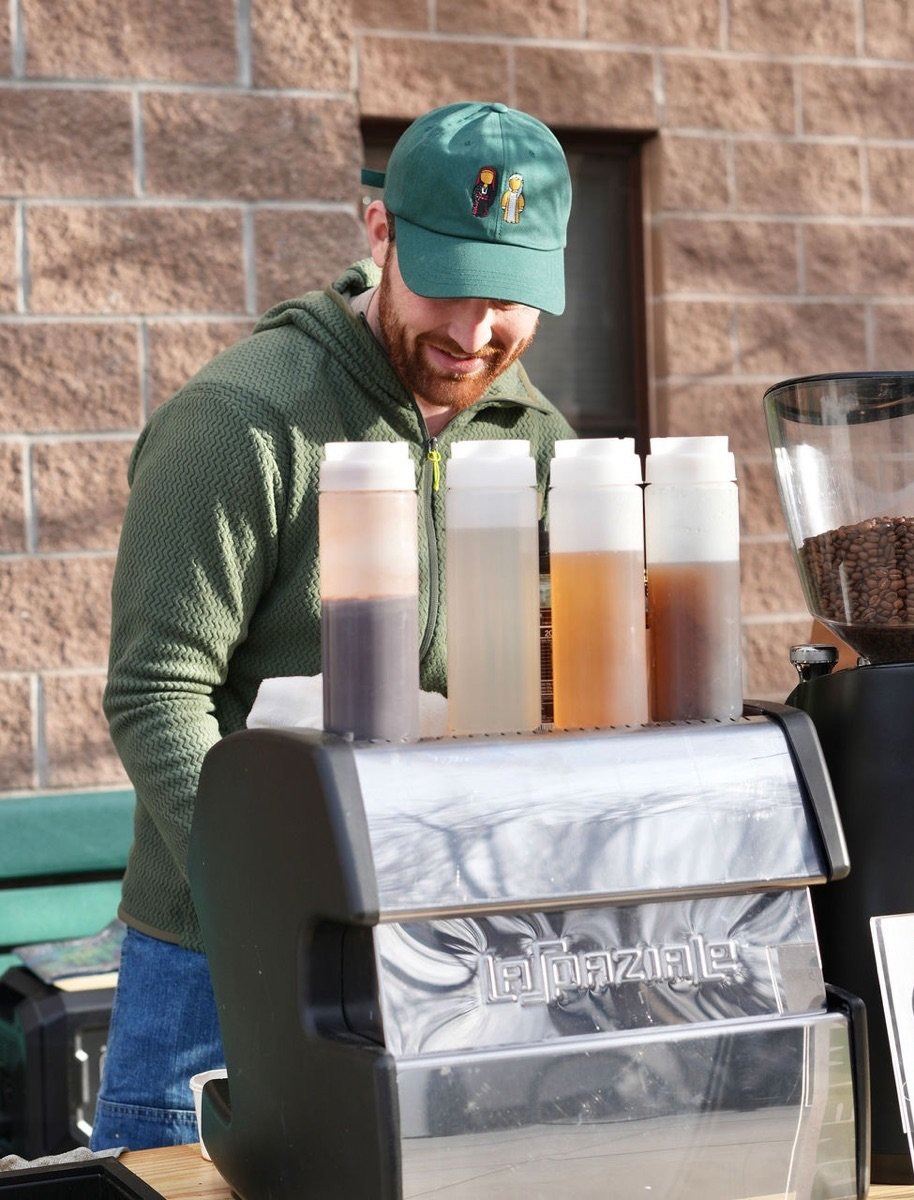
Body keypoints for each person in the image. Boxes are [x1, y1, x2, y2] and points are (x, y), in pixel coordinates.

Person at [89, 99, 575, 1151]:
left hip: (456, 957)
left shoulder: (539, 442)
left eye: (510, 301)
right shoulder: (241, 422)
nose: (472, 333)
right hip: (227, 965)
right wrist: (269, 893)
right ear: (379, 233)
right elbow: (155, 689)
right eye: (447, 285)